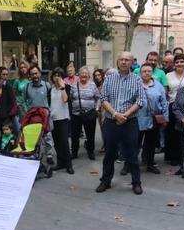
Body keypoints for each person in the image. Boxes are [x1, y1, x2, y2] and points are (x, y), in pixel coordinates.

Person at [96, 52, 146, 195]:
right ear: (118, 62)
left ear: (132, 63)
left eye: (127, 60)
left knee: (132, 153)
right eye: (121, 59)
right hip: (111, 121)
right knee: (109, 153)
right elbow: (103, 98)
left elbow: (140, 101)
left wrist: (125, 115)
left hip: (130, 122)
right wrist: (115, 114)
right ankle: (105, 181)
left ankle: (136, 183)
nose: (123, 62)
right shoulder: (109, 79)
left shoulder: (137, 79)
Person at [135, 63, 168, 174]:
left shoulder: (158, 85)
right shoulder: (135, 84)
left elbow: (164, 102)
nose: (146, 73)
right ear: (140, 73)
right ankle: (129, 165)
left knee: (151, 144)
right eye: (144, 71)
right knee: (135, 144)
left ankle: (150, 164)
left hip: (153, 119)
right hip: (137, 119)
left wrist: (165, 118)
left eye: (149, 71)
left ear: (152, 73)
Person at [70, 66, 101, 160]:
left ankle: (91, 152)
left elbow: (98, 98)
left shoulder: (93, 85)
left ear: (88, 75)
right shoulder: (74, 86)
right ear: (78, 75)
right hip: (76, 114)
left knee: (90, 134)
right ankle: (74, 152)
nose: (84, 75)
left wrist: (96, 109)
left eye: (85, 73)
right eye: (82, 73)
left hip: (89, 114)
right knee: (75, 135)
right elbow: (71, 98)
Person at [164, 53, 184, 165]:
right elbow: (165, 91)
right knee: (171, 132)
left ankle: (183, 156)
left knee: (183, 132)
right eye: (177, 62)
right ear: (174, 64)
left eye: (181, 62)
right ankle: (172, 156)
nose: (179, 64)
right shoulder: (168, 75)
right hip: (172, 105)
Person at [48, 68, 73, 174]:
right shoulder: (51, 89)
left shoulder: (66, 87)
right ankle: (60, 162)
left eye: (59, 75)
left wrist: (62, 87)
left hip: (63, 118)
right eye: (55, 75)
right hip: (53, 118)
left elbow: (65, 99)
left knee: (64, 142)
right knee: (57, 143)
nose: (57, 77)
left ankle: (68, 164)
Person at [11, 61, 31, 137]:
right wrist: (16, 103)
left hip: (30, 105)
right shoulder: (17, 81)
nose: (23, 69)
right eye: (21, 67)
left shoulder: (31, 79)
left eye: (24, 67)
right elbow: (13, 94)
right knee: (22, 125)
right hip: (20, 106)